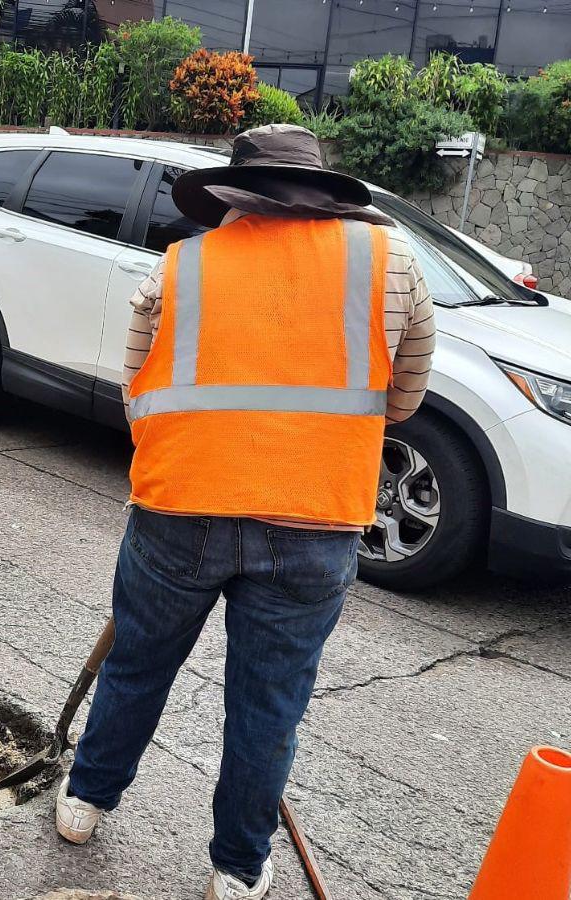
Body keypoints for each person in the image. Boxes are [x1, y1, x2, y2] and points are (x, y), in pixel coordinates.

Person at [54, 125, 436, 900]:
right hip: (315, 518)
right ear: (325, 197)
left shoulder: (181, 266)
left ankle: (86, 801)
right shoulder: (391, 263)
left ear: (233, 196)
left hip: (180, 509)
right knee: (268, 703)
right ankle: (236, 867)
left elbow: (139, 394)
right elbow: (405, 398)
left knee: (136, 668)